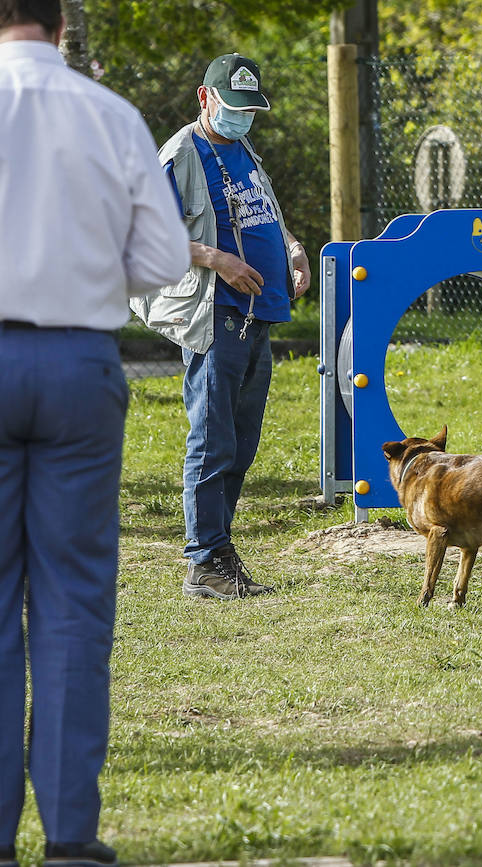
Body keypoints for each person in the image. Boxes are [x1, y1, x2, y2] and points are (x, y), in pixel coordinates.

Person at [0, 1, 190, 863]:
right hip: (80, 361)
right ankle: (72, 835)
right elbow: (160, 264)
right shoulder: (111, 116)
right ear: (61, 20)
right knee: (74, 600)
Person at [130, 53, 311, 600]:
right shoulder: (181, 154)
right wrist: (215, 258)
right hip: (216, 312)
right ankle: (203, 560)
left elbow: (264, 214)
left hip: (259, 312)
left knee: (242, 440)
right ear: (205, 99)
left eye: (250, 109)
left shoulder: (243, 148)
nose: (242, 118)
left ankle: (219, 548)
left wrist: (294, 252)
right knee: (213, 440)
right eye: (232, 108)